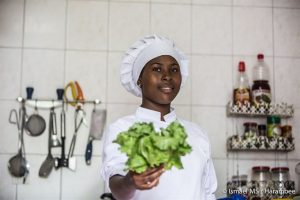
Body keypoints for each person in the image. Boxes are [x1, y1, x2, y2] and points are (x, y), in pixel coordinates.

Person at [101, 35, 217, 200]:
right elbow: (117, 189)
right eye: (157, 69)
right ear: (139, 79)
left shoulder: (198, 134)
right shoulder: (122, 129)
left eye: (174, 69)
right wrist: (131, 181)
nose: (167, 76)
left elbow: (208, 193)